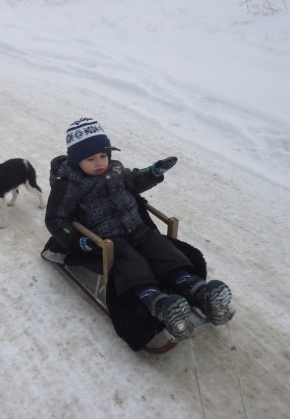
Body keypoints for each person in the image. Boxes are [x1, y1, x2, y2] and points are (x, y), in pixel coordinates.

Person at [44, 117, 233, 340]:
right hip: (108, 238)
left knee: (162, 248)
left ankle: (194, 288)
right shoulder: (69, 184)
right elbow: (55, 218)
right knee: (131, 261)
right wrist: (77, 241)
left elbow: (134, 180)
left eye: (104, 155)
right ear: (77, 161)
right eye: (91, 159)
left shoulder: (115, 169)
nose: (99, 163)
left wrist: (153, 172)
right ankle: (156, 302)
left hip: (136, 227)